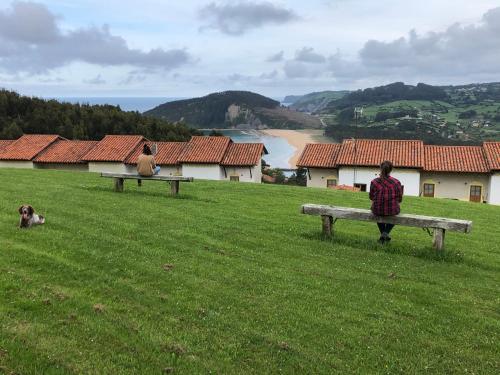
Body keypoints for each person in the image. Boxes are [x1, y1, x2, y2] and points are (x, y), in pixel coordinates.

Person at [369, 160, 403, 244]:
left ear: (380, 169)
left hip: (377, 210)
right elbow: (400, 198)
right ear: (391, 170)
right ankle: (385, 234)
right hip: (392, 210)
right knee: (396, 214)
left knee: (377, 212)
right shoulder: (396, 182)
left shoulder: (374, 182)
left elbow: (371, 197)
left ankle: (383, 237)